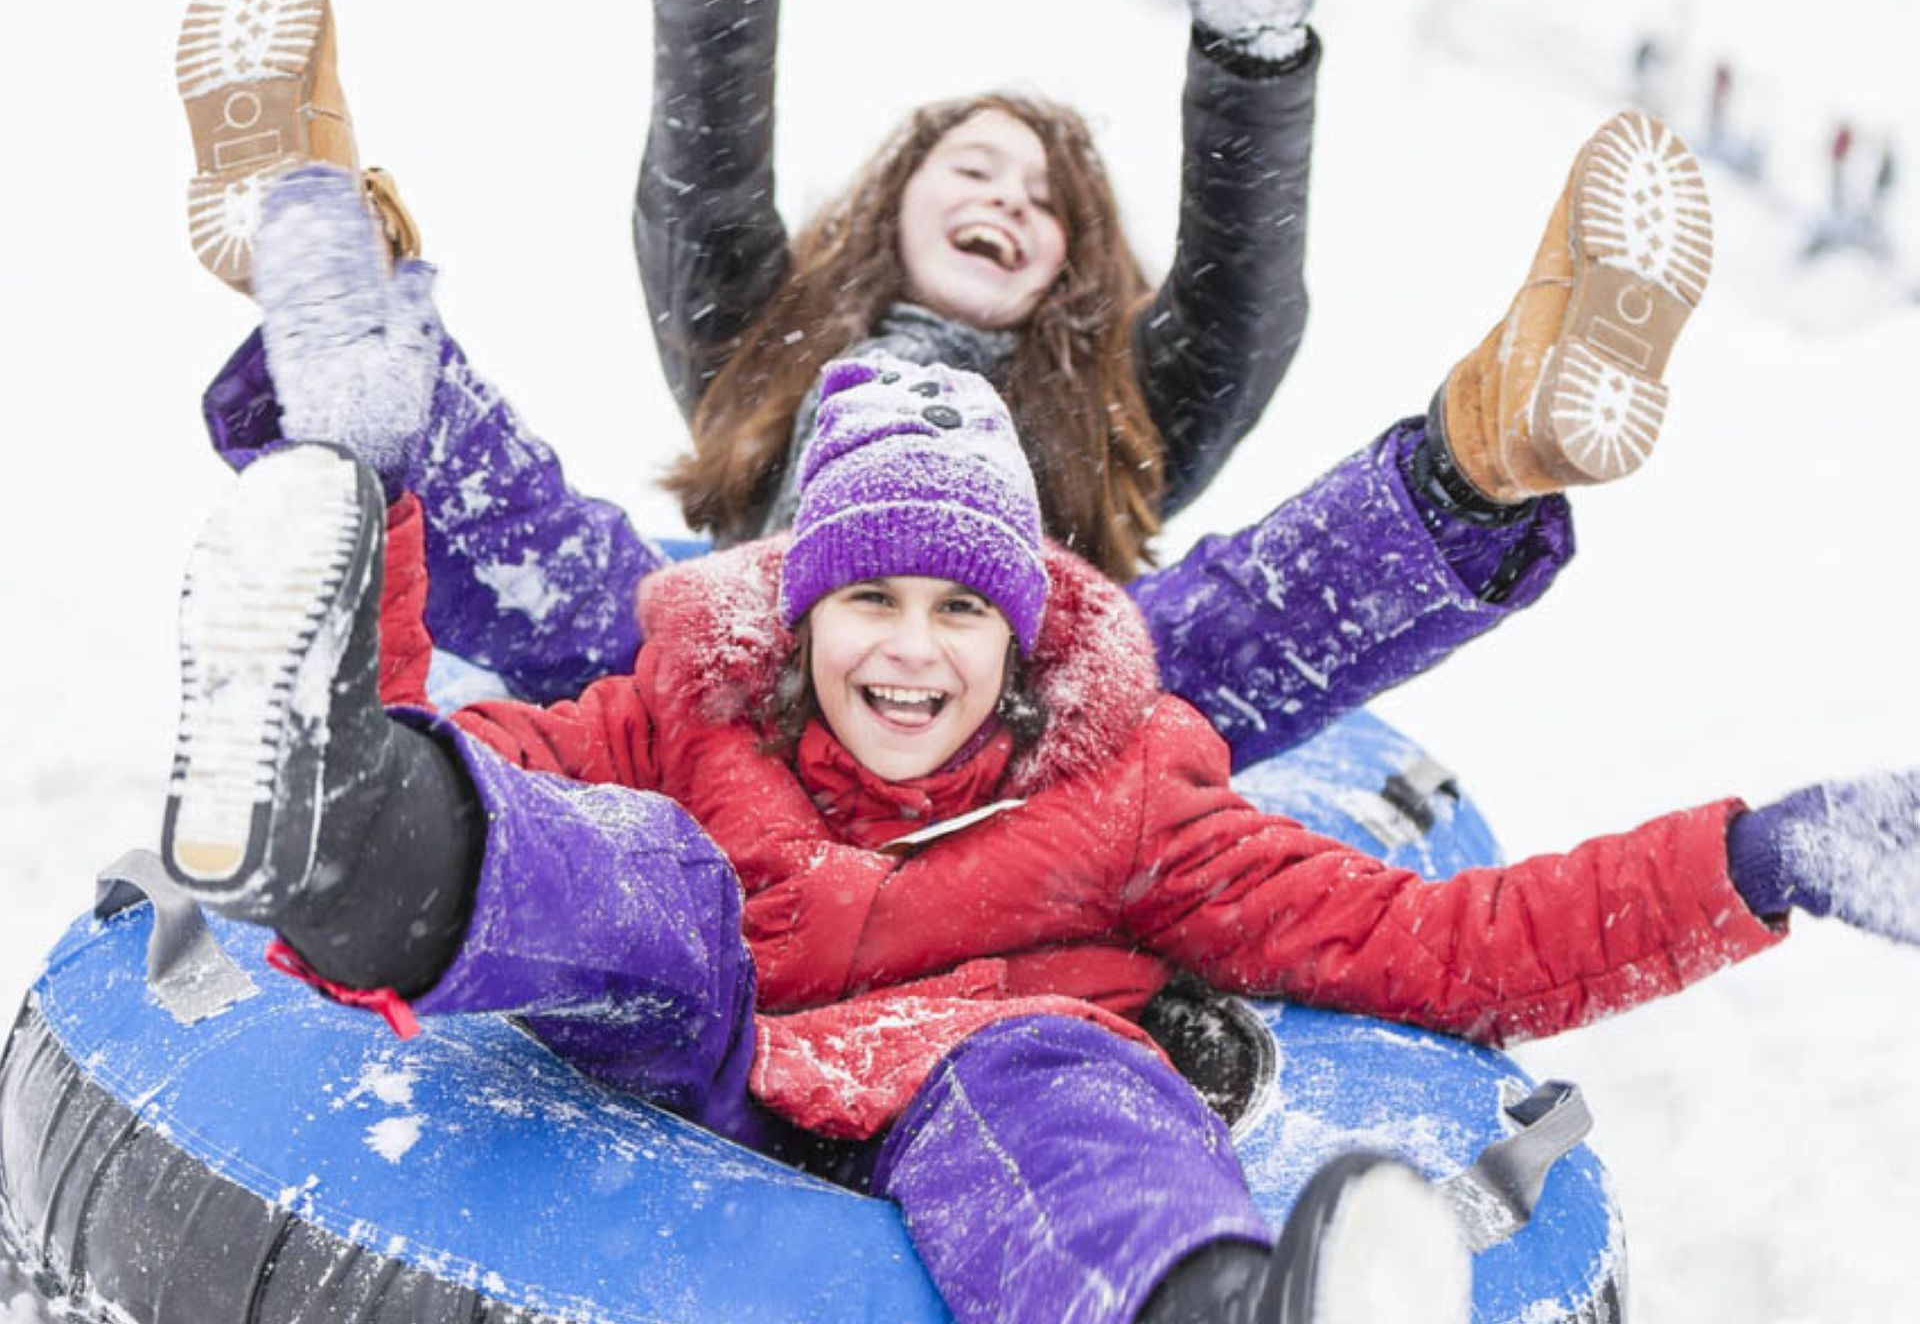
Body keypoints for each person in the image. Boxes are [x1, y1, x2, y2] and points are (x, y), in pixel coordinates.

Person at [160, 358, 1919, 1324]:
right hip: (685, 1054)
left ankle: (1235, 1315)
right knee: (639, 882)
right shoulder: (680, 715)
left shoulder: (1132, 791)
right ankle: (319, 823)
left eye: (955, 608)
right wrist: (369, 509)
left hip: (977, 1089)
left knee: (1072, 1091)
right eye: (866, 601)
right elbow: (486, 773)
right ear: (797, 615)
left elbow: (1432, 945)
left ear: (1024, 635)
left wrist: (1755, 861)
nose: (907, 651)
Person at [181, 0, 1706, 782]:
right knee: (588, 579)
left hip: (1026, 729)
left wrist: (1253, 60)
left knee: (1201, 641)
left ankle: (1500, 445)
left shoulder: (1112, 404)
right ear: (890, 203)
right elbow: (702, 176)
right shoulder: (773, 340)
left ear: (1076, 273)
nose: (1008, 198)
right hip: (734, 679)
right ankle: (321, 258)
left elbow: (1243, 301)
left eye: (1047, 202)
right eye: (971, 168)